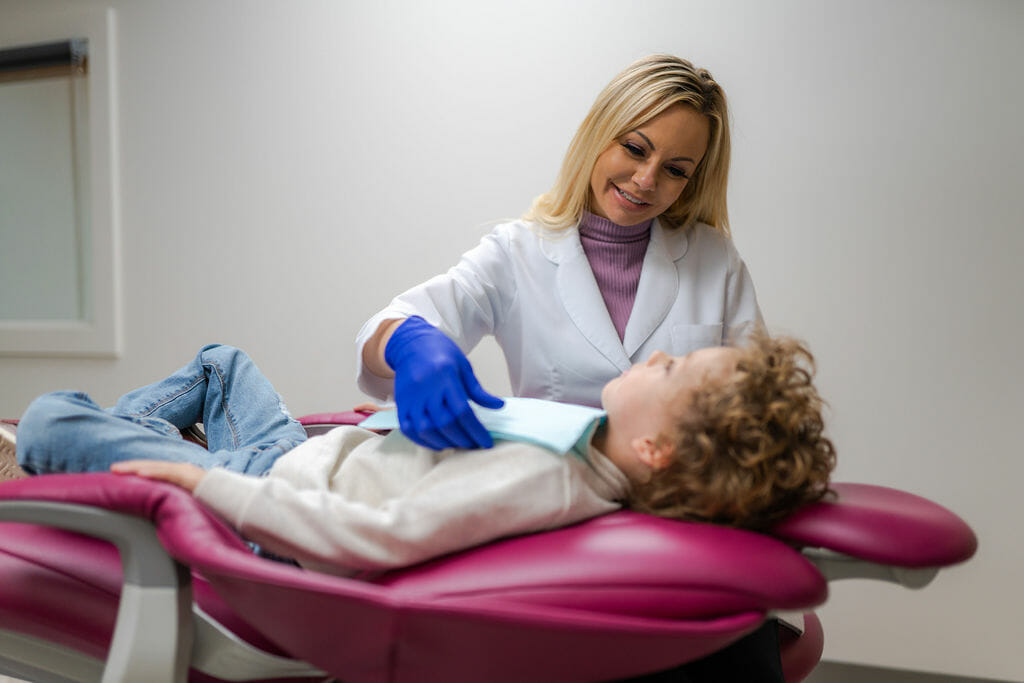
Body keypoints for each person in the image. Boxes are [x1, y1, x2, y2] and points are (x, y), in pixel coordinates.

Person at [12, 331, 834, 578]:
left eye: (676, 369)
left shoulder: (549, 480)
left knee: (50, 419)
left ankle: (80, 452)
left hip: (266, 499)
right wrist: (391, 425)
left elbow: (381, 535)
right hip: (311, 454)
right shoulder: (573, 445)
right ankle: (129, 440)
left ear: (654, 448)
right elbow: (436, 472)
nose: (658, 358)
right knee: (221, 363)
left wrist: (205, 482)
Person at [356, 53, 761, 452]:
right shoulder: (517, 253)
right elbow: (387, 328)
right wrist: (409, 344)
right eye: (636, 149)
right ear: (598, 135)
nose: (645, 179)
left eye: (675, 170)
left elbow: (761, 400)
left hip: (674, 493)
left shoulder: (715, 260)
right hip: (553, 486)